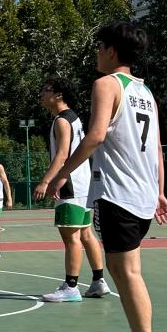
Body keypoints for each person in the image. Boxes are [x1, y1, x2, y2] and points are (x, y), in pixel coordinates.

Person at [50, 21, 167, 332]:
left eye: (100, 46)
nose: (97, 52)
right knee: (128, 271)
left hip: (119, 193)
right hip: (143, 194)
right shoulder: (145, 92)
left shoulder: (106, 84)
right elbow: (157, 149)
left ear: (112, 51)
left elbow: (96, 136)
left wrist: (63, 172)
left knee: (126, 272)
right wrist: (160, 191)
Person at [33, 77, 111, 302]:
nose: (41, 94)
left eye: (46, 90)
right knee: (86, 233)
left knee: (71, 237)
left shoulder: (61, 121)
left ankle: (71, 287)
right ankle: (98, 281)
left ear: (58, 95)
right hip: (84, 183)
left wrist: (46, 181)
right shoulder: (73, 117)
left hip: (70, 185)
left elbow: (62, 155)